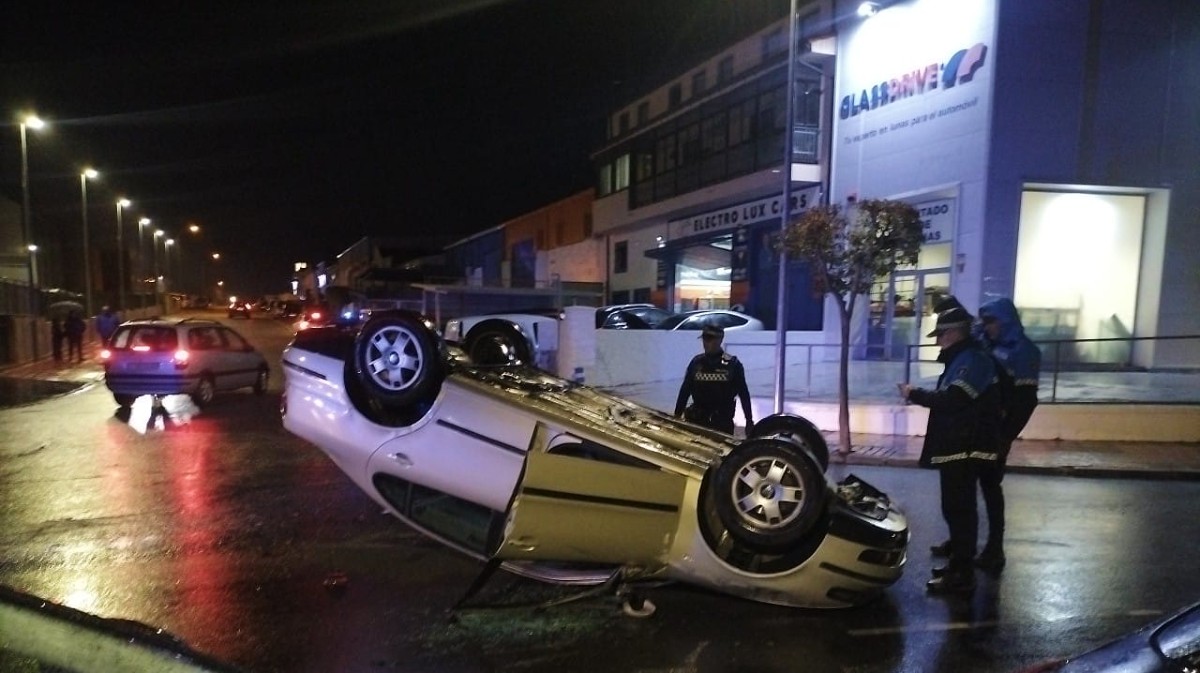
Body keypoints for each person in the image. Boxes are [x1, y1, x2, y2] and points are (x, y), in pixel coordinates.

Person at [898, 306, 1001, 594]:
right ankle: (958, 566)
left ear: (955, 332)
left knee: (960, 509)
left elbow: (954, 399)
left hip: (966, 448)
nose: (937, 341)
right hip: (959, 446)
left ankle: (962, 574)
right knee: (955, 509)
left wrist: (913, 394)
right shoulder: (964, 359)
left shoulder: (973, 360)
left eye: (941, 334)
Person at [973, 297, 1041, 572]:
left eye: (992, 321)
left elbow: (1026, 402)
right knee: (965, 487)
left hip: (996, 432)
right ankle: (961, 541)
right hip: (978, 425)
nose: (987, 326)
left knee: (990, 488)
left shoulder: (1024, 352)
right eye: (985, 321)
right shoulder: (990, 343)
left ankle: (994, 548)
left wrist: (1005, 437)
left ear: (1005, 321)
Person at [674, 324, 754, 435]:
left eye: (709, 339)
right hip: (698, 420)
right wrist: (676, 416)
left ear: (719, 340)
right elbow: (685, 391)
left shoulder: (732, 364)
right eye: (704, 339)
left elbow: (743, 393)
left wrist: (749, 420)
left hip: (721, 422)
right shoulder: (696, 362)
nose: (705, 343)